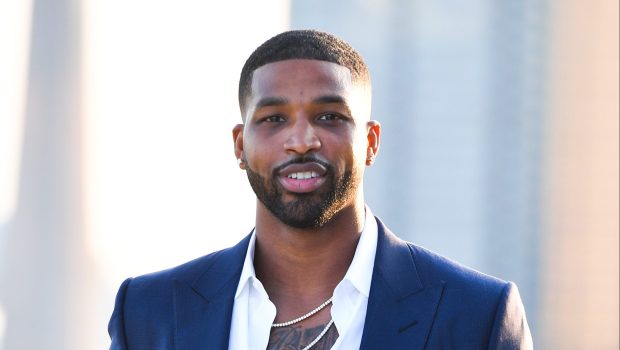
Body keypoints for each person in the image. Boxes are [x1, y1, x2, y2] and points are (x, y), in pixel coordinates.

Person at [108, 29, 532, 350]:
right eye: (273, 119)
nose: (302, 140)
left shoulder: (477, 314)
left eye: (329, 117)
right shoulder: (150, 311)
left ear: (370, 141)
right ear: (240, 145)